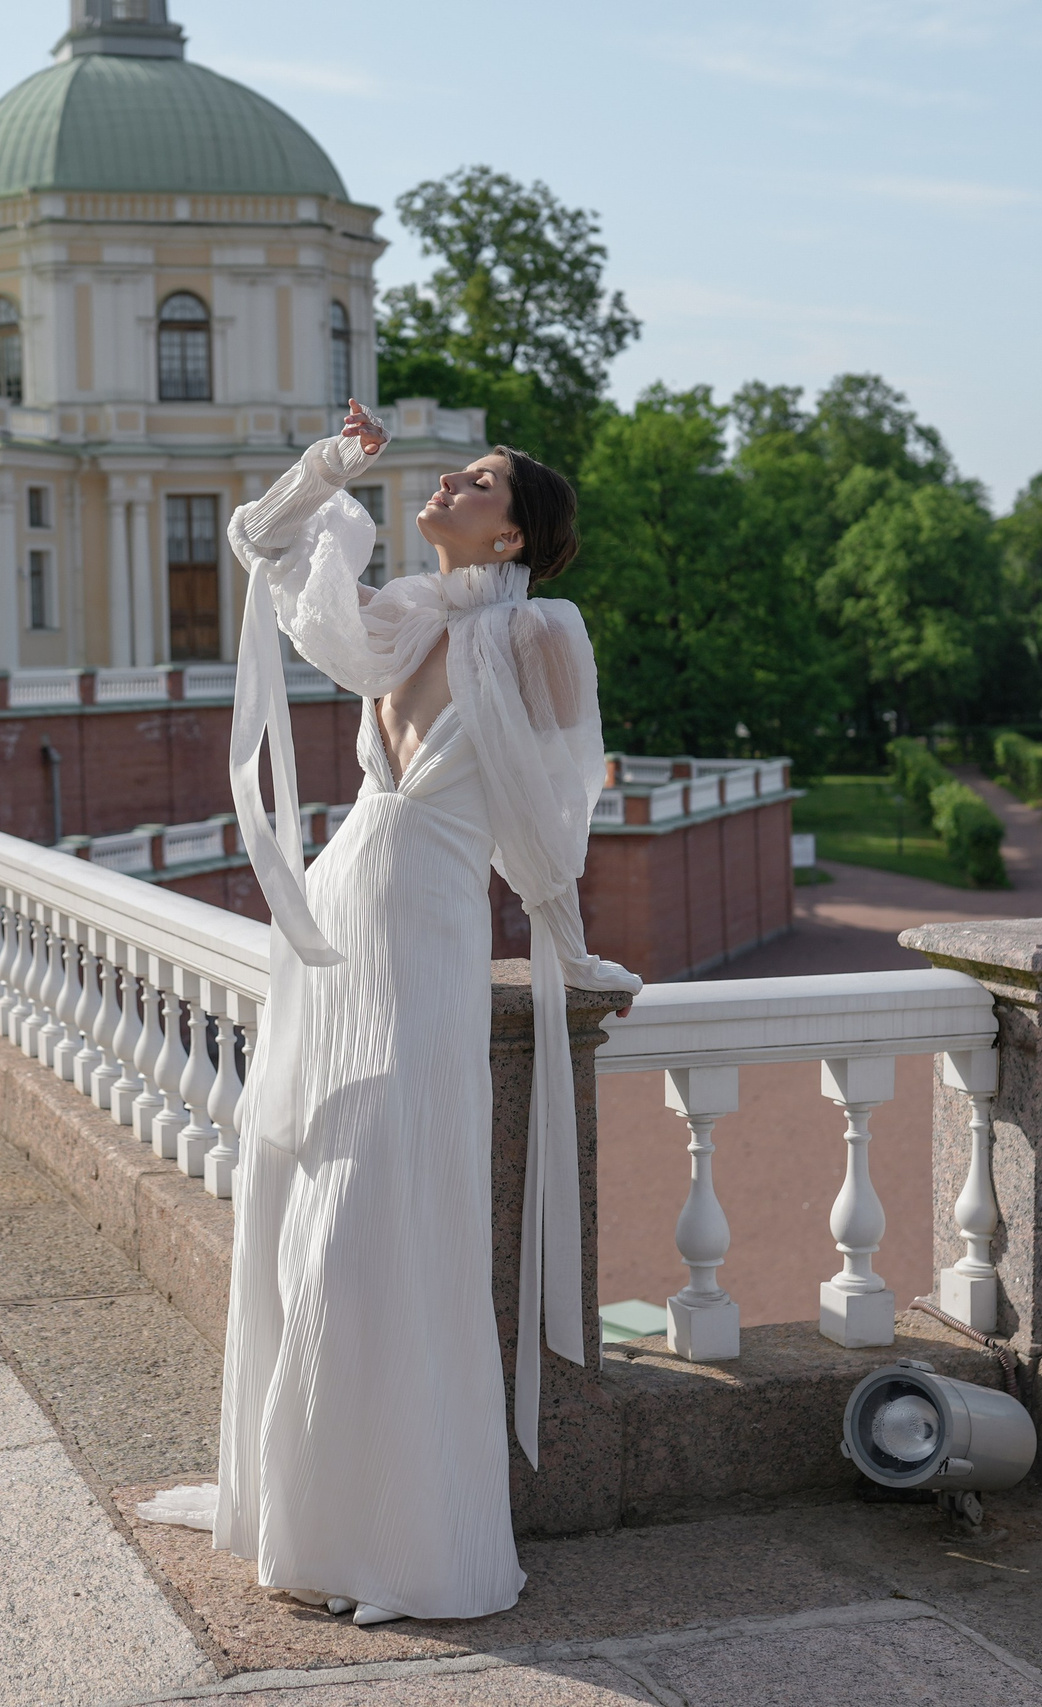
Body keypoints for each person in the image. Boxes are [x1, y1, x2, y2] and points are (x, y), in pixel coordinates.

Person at [135, 402, 640, 1625]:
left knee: (384, 1207)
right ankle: (302, 1505)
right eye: (454, 473)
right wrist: (330, 465)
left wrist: (568, 945)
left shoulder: (540, 632)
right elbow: (261, 542)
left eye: (479, 481)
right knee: (299, 1185)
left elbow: (554, 807)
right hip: (336, 917)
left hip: (426, 931)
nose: (450, 483)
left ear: (514, 531)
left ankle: (398, 1536)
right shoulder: (402, 617)